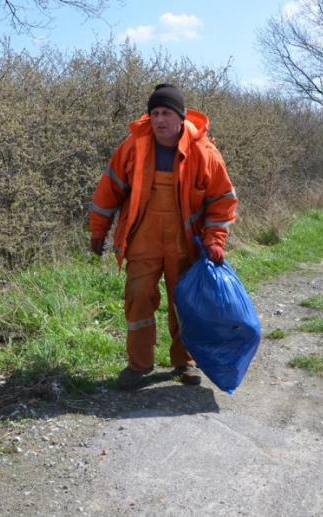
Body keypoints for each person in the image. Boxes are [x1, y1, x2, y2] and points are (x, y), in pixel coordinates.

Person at [88, 83, 237, 390]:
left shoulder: (203, 152)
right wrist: (98, 230)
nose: (159, 119)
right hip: (143, 237)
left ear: (181, 117)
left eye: (166, 113)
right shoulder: (134, 146)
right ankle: (139, 365)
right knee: (139, 296)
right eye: (154, 113)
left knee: (185, 302)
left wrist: (215, 240)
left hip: (185, 241)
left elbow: (222, 201)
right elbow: (109, 189)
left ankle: (185, 362)